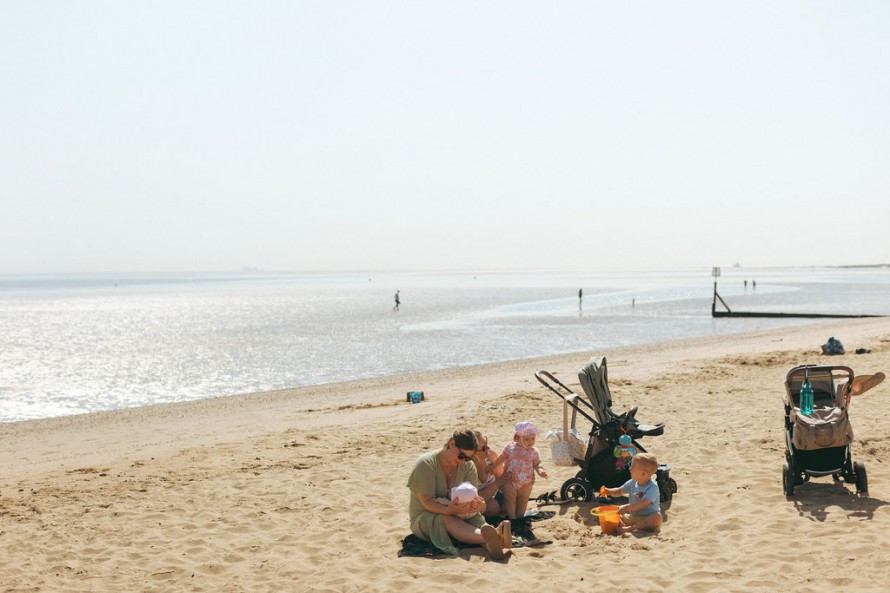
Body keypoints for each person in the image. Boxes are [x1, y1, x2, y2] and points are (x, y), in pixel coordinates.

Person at [406, 429, 508, 559]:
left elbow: (472, 495)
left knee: (473, 518)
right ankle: (496, 537)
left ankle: (489, 542)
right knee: (449, 518)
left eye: (468, 458)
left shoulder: (468, 465)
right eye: (461, 456)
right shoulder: (426, 464)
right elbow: (428, 502)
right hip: (426, 516)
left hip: (461, 513)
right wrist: (450, 510)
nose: (463, 461)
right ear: (452, 443)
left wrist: (479, 505)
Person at [493, 421, 548, 520]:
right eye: (526, 439)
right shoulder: (510, 447)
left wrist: (540, 470)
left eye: (533, 439)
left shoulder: (534, 451)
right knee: (510, 500)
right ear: (517, 438)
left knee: (523, 500)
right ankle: (512, 519)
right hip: (510, 479)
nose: (530, 442)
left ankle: (519, 519)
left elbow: (537, 463)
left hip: (527, 481)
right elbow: (501, 457)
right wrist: (492, 466)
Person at [601, 452, 662, 534]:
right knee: (615, 513)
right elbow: (619, 491)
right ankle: (622, 525)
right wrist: (609, 491)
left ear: (643, 473)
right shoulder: (632, 482)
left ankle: (630, 528)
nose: (629, 469)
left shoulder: (652, 487)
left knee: (657, 517)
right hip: (632, 516)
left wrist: (626, 507)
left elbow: (642, 504)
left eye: (632, 467)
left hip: (646, 518)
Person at [471, 430, 510, 517]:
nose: (488, 448)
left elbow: (502, 478)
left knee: (513, 501)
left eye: (487, 443)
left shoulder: (490, 455)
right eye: (484, 447)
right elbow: (475, 498)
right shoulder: (467, 467)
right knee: (492, 508)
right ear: (472, 452)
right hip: (477, 501)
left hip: (495, 494)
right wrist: (497, 484)